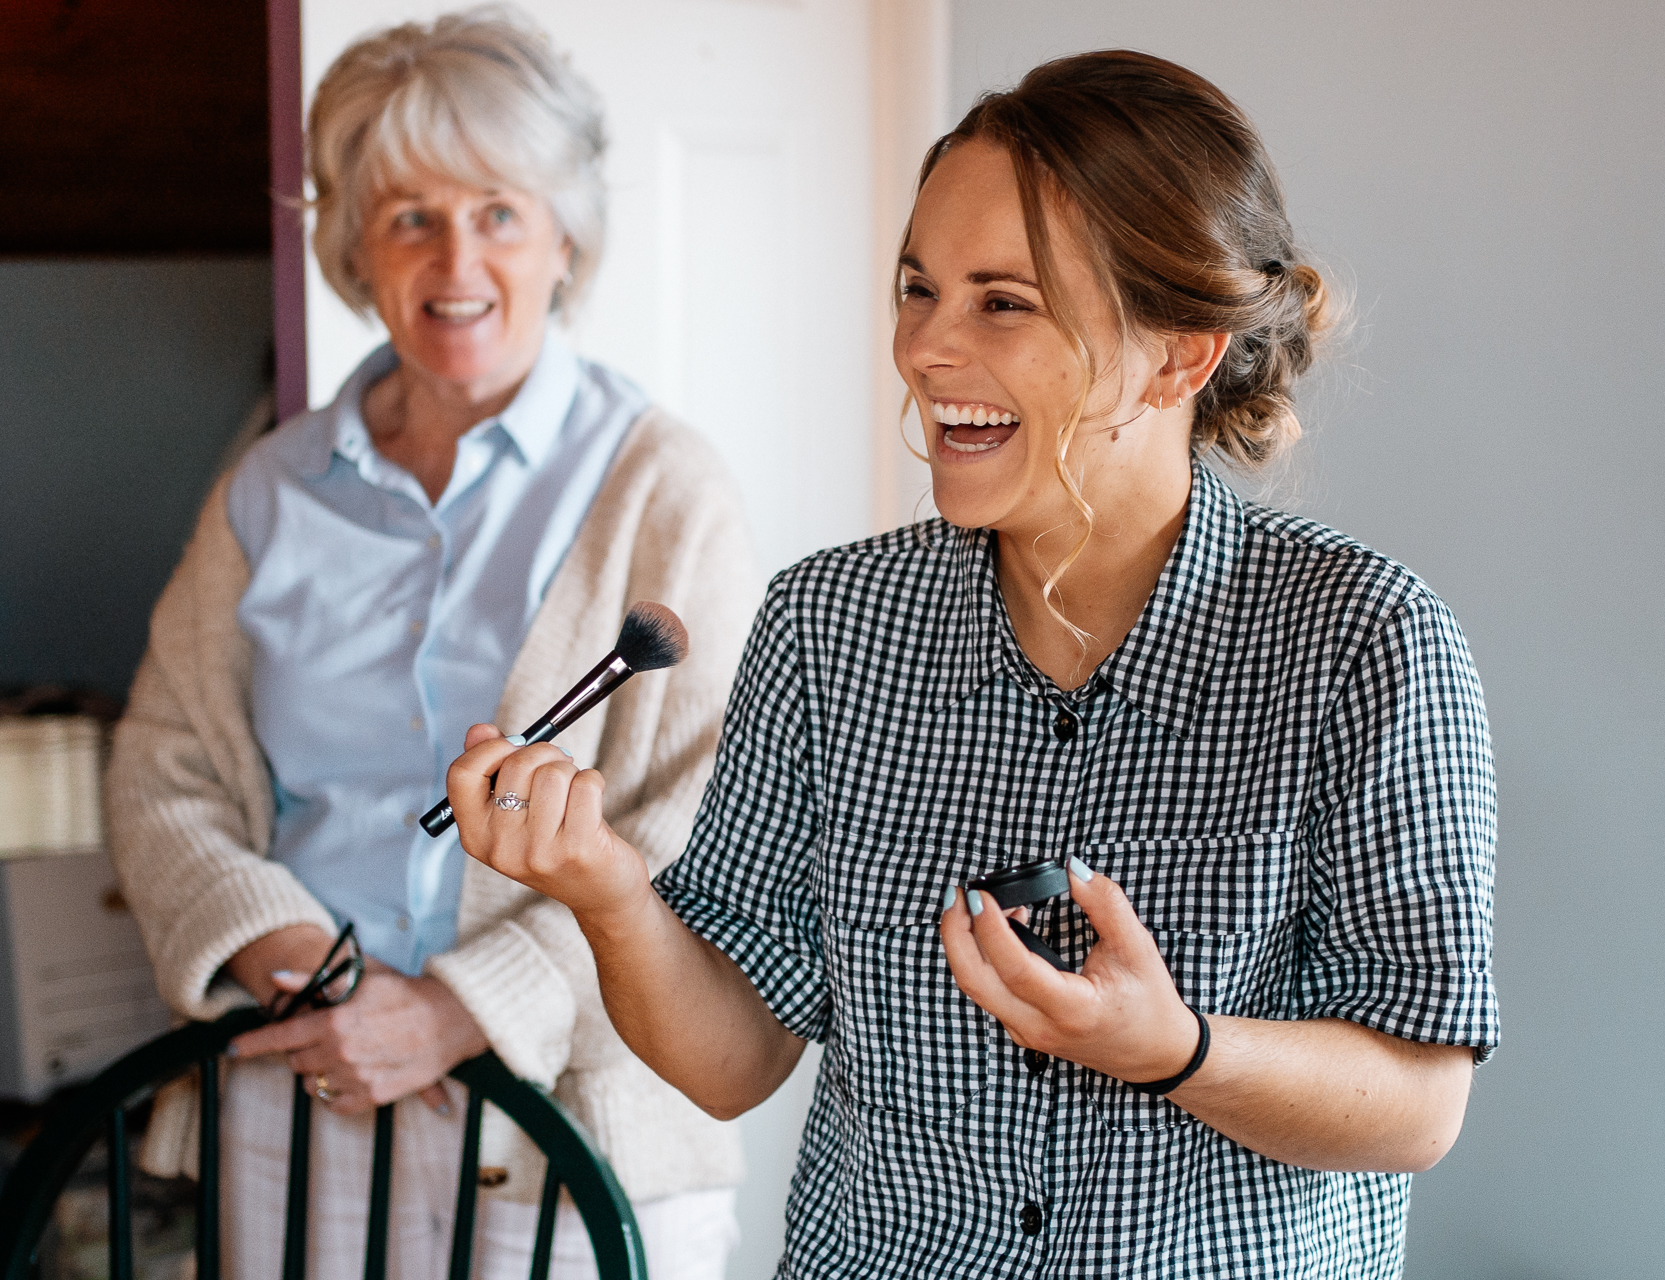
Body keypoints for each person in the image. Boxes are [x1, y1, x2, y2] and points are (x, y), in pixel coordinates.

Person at [447, 50, 1499, 1277]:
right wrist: (608, 891)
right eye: (917, 288)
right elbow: (735, 1063)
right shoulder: (827, 623)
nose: (926, 350)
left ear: (1179, 355)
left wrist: (1174, 1046)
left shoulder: (1363, 638)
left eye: (1002, 301)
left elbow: (1419, 1102)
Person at [105, 10, 755, 1278]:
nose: (456, 257)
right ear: (353, 244)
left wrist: (465, 1007)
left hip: (565, 1118)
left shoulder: (663, 487)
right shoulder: (270, 487)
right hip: (300, 1092)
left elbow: (709, 823)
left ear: (565, 235)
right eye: (408, 214)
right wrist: (295, 959)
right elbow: (161, 768)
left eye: (499, 211)